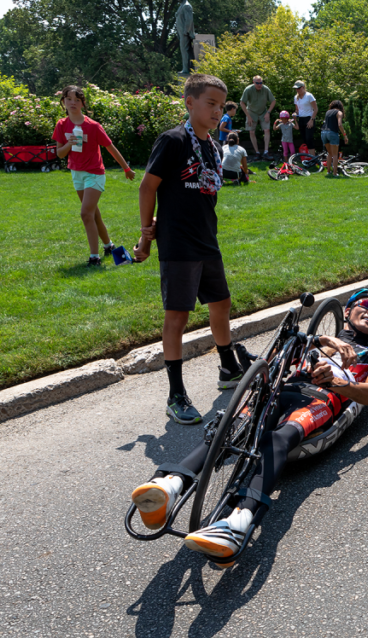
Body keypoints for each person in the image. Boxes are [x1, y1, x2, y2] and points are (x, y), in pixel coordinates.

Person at [130, 288, 368, 566]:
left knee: (276, 439)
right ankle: (171, 485)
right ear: (347, 311)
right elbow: (277, 361)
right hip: (279, 391)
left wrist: (337, 382)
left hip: (319, 401)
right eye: (366, 304)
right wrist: (309, 344)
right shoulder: (312, 341)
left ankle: (239, 522)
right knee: (228, 428)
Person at [134, 74, 243, 425]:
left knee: (221, 303)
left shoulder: (212, 144)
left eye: (221, 105)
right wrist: (146, 234)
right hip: (178, 241)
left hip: (206, 238)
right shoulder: (173, 140)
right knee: (177, 316)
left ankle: (227, 367)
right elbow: (147, 187)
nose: (216, 111)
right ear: (189, 102)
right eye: (210, 103)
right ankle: (176, 393)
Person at [52, 85, 136, 267]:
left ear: (82, 103)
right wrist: (69, 143)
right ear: (63, 102)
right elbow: (59, 154)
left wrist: (126, 169)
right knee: (93, 214)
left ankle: (94, 257)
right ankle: (109, 246)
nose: (72, 103)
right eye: (69, 99)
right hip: (76, 174)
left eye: (77, 99)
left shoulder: (93, 126)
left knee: (85, 213)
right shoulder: (61, 124)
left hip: (94, 173)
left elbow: (110, 147)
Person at [240, 75, 276, 160]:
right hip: (251, 112)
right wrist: (248, 116)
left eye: (261, 83)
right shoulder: (248, 89)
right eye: (257, 83)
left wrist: (268, 112)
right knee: (251, 132)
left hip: (264, 112)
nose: (259, 85)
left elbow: (273, 101)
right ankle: (257, 152)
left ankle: (266, 152)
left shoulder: (266, 89)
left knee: (267, 130)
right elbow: (242, 103)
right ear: (253, 82)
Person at [321, 100, 348, 175]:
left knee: (330, 153)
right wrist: (345, 135)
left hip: (323, 133)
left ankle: (328, 171)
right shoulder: (339, 112)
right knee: (335, 154)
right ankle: (335, 173)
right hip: (332, 133)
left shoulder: (328, 112)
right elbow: (339, 125)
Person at [292, 80, 317, 155]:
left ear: (303, 87)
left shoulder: (309, 96)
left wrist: (312, 120)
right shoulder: (296, 97)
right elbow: (297, 110)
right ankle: (307, 157)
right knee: (305, 140)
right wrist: (295, 114)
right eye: (296, 88)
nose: (297, 90)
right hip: (301, 120)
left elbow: (315, 109)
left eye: (298, 88)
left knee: (309, 139)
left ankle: (313, 159)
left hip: (309, 118)